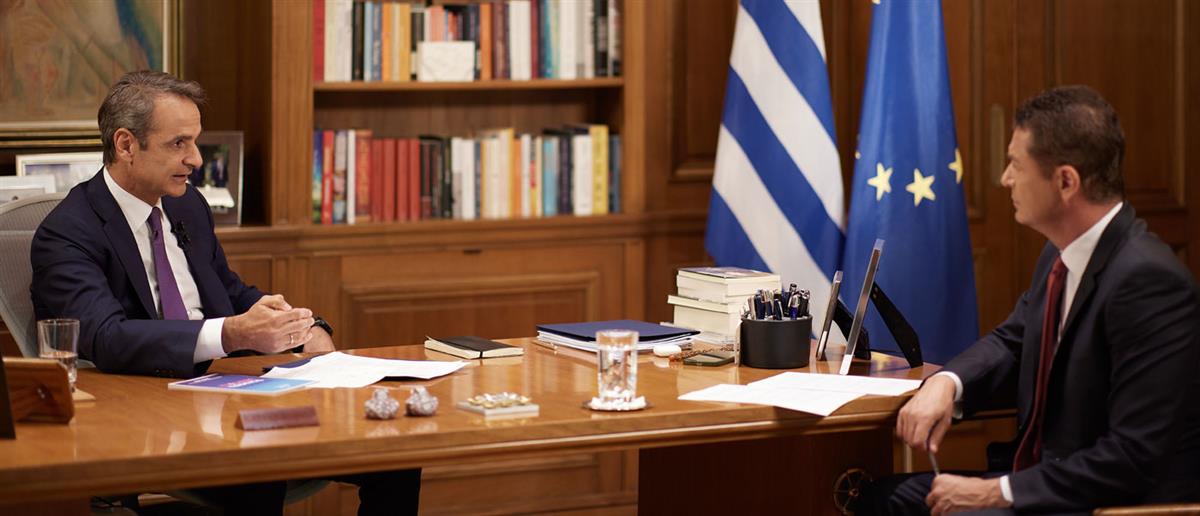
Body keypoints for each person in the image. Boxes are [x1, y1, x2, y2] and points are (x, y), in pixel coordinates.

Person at [31, 71, 419, 516]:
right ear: (126, 145)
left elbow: (228, 291)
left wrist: (302, 327)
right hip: (143, 406)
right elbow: (106, 337)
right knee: (259, 462)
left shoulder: (186, 203)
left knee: (396, 450)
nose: (196, 158)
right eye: (178, 143)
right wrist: (232, 334)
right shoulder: (67, 232)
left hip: (228, 390)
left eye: (195, 141)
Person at [863, 86, 1200, 514]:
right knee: (879, 497)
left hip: (1107, 501)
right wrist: (947, 383)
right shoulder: (1060, 253)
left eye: (1016, 165)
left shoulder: (1149, 282)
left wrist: (995, 492)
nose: (1005, 178)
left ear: (1065, 181)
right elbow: (1013, 340)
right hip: (1046, 482)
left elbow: (1132, 457)